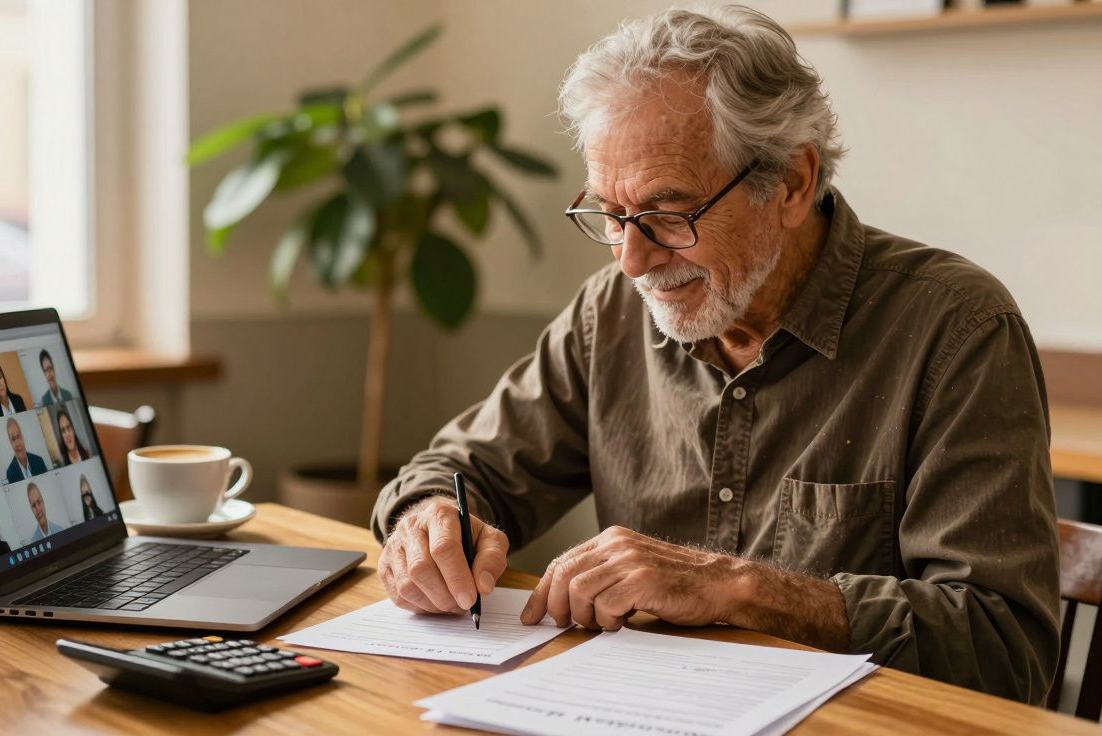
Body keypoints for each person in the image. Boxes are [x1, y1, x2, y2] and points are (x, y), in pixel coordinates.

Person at [370, 7, 1058, 704]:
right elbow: (459, 469)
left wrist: (741, 588)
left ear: (790, 182)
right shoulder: (609, 313)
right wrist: (426, 522)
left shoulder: (958, 328)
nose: (633, 261)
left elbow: (1004, 649)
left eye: (670, 215)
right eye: (610, 215)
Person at [4, 417, 49, 483]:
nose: (18, 443)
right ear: (10, 442)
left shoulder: (39, 461)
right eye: (13, 439)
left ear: (22, 436)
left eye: (19, 436)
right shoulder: (10, 473)